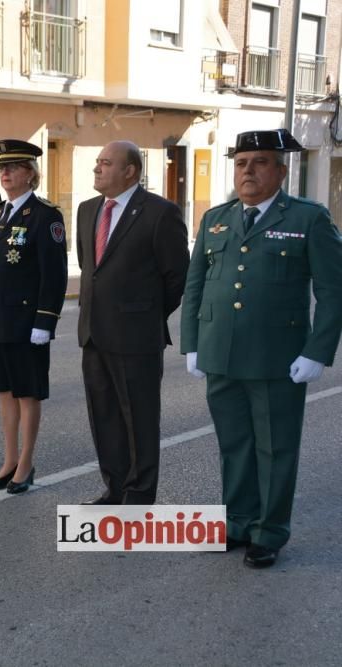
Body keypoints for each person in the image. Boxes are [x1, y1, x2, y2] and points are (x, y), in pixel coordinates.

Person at [181, 129, 342, 568]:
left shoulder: (308, 219)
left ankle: (269, 532)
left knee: (275, 447)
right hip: (221, 355)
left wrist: (316, 351)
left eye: (259, 162)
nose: (248, 171)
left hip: (277, 358)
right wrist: (192, 344)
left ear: (281, 170)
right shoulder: (216, 218)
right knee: (234, 445)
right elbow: (195, 287)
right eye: (241, 163)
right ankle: (237, 522)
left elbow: (333, 291)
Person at [76, 140, 189, 505]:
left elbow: (176, 277)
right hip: (94, 334)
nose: (97, 168)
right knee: (104, 417)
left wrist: (145, 316)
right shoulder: (86, 210)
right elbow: (89, 269)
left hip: (137, 337)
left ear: (130, 171)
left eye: (106, 163)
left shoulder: (159, 213)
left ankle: (140, 495)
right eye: (97, 161)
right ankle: (116, 487)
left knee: (138, 420)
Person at [0, 140, 67, 494]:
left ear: (30, 173)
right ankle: (9, 460)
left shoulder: (44, 216)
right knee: (4, 393)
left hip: (26, 324)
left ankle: (26, 464)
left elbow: (53, 275)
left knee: (28, 395)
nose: (5, 173)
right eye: (1, 168)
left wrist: (45, 321)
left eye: (13, 168)